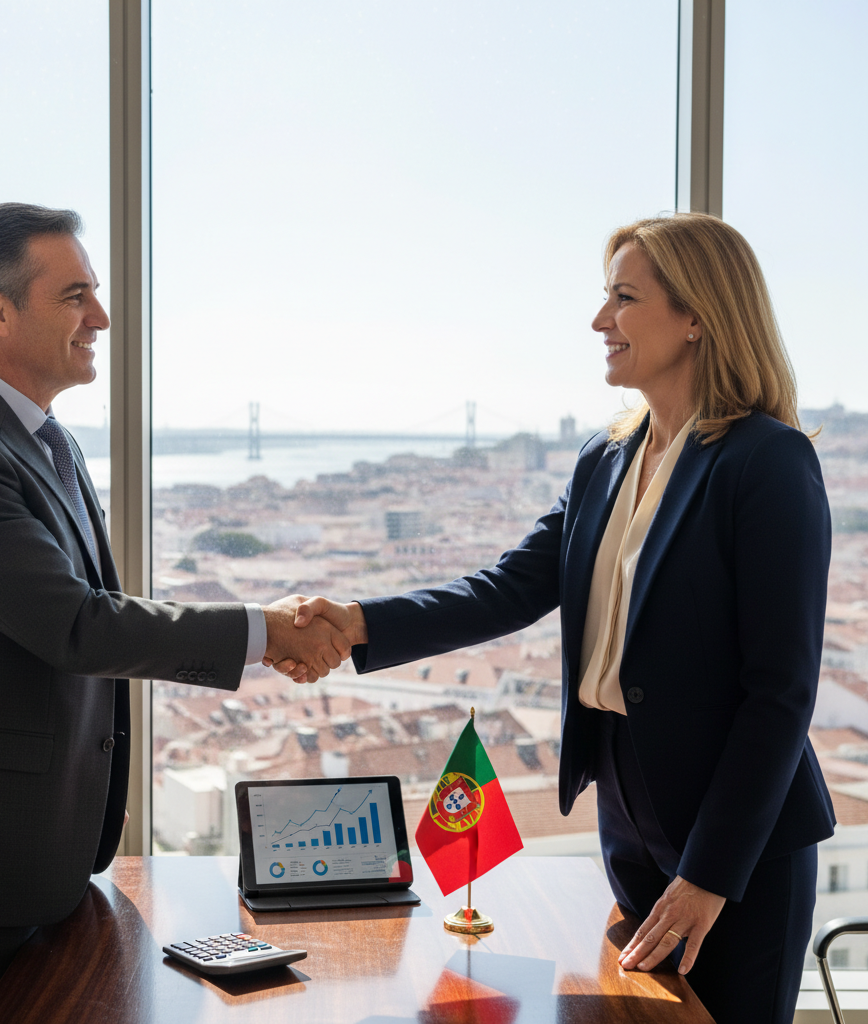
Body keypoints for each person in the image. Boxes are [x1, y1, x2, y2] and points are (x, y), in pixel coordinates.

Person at [273, 212, 835, 1024]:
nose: (599, 321)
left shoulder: (767, 461)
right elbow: (509, 587)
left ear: (697, 317)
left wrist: (712, 872)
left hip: (739, 837)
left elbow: (780, 693)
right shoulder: (605, 457)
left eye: (623, 298)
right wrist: (357, 622)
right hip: (628, 812)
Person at [0, 202, 347, 1024]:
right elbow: (77, 625)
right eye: (75, 295)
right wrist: (265, 632)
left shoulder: (48, 440)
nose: (102, 318)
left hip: (45, 855)